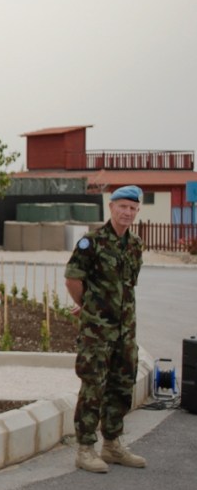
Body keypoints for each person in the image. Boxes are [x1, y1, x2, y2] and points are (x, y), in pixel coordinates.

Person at [65, 184, 147, 473]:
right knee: (93, 386)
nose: (127, 212)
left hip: (125, 331)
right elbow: (73, 278)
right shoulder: (92, 242)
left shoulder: (135, 245)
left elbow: (127, 286)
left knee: (122, 386)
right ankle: (85, 448)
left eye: (132, 208)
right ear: (111, 207)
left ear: (137, 212)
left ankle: (112, 445)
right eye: (122, 206)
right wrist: (88, 306)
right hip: (97, 332)